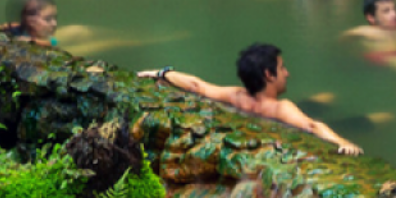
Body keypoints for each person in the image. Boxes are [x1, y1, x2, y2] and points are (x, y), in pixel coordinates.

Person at [141, 44, 363, 155]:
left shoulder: (236, 96)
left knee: (321, 100)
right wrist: (343, 143)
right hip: (274, 139)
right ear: (269, 75)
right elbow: (312, 126)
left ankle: (325, 99)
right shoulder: (281, 109)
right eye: (282, 68)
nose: (287, 73)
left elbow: (196, 86)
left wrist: (161, 73)